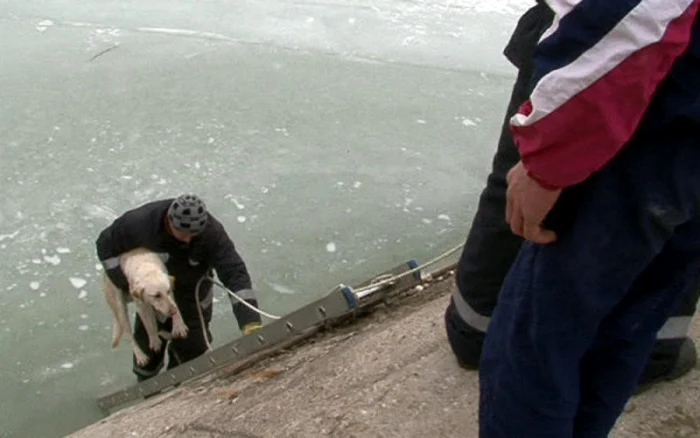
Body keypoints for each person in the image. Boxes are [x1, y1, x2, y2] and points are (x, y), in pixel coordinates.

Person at [444, 0, 699, 392]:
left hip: (593, 24)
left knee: (521, 168)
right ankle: (653, 348)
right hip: (628, 30)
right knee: (662, 207)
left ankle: (475, 324)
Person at [95, 194, 263, 381]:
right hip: (156, 292)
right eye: (182, 234)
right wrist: (124, 283)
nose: (188, 239)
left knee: (193, 348)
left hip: (193, 294)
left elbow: (234, 273)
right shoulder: (140, 223)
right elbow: (104, 245)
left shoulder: (212, 233)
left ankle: (179, 384)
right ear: (169, 221)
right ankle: (146, 385)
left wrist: (250, 322)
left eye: (193, 234)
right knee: (148, 349)